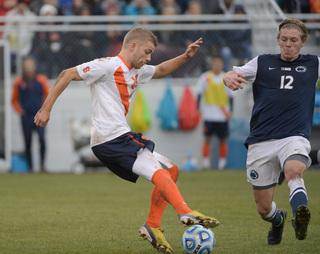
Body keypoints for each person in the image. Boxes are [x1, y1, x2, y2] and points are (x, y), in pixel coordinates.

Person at [34, 27, 219, 253]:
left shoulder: (136, 71)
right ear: (133, 46)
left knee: (171, 170)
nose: (149, 58)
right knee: (160, 171)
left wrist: (185, 56)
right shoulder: (108, 65)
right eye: (147, 52)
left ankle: (152, 226)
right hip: (112, 138)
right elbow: (66, 73)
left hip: (116, 138)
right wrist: (46, 109)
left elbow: (160, 70)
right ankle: (184, 211)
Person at [223, 18, 319, 245]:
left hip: (294, 136)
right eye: (284, 39)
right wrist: (228, 76)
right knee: (264, 208)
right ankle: (278, 220)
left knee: (294, 170)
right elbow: (232, 73)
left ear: (303, 42)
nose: (288, 44)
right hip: (261, 140)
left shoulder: (314, 63)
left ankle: (299, 216)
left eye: (293, 40)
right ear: (278, 40)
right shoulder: (262, 63)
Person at [12, 55, 51, 172]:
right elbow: (14, 99)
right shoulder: (18, 82)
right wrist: (20, 110)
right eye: (26, 65)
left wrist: (44, 109)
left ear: (34, 66)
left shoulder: (41, 80)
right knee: (27, 142)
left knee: (42, 139)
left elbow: (48, 95)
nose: (28, 68)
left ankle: (42, 165)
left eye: (30, 65)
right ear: (23, 67)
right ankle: (30, 167)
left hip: (39, 115)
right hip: (26, 117)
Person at [195, 56, 234, 170]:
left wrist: (231, 110)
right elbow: (199, 93)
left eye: (219, 63)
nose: (217, 65)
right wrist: (198, 107)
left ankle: (222, 163)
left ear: (222, 64)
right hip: (209, 114)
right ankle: (206, 162)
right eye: (215, 63)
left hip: (222, 115)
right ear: (212, 64)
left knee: (222, 138)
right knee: (207, 138)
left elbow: (231, 96)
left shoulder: (226, 77)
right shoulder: (205, 77)